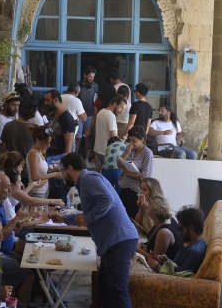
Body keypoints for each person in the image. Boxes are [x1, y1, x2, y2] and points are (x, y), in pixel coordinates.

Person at [50, 153, 139, 308]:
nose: (62, 175)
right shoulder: (85, 181)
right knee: (104, 287)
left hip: (119, 239)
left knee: (117, 290)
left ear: (70, 168)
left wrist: (87, 218)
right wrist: (65, 219)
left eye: (62, 170)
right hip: (113, 242)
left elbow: (107, 199)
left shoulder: (87, 178)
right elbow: (87, 215)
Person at [150, 206, 207, 274]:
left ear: (191, 228)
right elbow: (178, 268)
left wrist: (157, 267)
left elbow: (180, 277)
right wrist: (167, 261)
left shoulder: (193, 252)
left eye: (180, 229)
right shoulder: (198, 243)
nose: (179, 233)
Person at [117, 126, 155, 219]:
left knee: (132, 216)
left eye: (134, 141)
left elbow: (146, 175)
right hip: (124, 186)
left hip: (136, 190)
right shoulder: (130, 150)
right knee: (121, 215)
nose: (131, 143)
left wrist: (128, 173)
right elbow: (119, 165)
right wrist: (127, 152)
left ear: (142, 140)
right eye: (130, 140)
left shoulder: (147, 153)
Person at [135, 196, 183, 265]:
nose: (145, 207)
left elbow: (155, 259)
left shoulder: (163, 232)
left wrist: (137, 249)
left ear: (153, 213)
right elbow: (152, 232)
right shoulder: (170, 218)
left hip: (164, 266)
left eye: (147, 207)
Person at [1, 99, 38, 185]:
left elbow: (3, 150)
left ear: (20, 109)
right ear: (33, 112)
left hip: (12, 171)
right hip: (30, 171)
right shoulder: (35, 129)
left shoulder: (8, 126)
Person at [26, 124, 64, 198]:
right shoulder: (34, 154)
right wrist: (54, 174)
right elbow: (35, 177)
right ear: (37, 140)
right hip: (36, 192)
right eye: (46, 142)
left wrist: (50, 168)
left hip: (42, 191)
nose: (49, 145)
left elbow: (39, 170)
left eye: (50, 142)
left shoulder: (40, 151)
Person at [93, 95, 126, 172]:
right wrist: (123, 142)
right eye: (121, 108)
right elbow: (113, 136)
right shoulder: (110, 116)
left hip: (98, 150)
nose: (121, 111)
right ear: (115, 104)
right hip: (107, 151)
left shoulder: (101, 112)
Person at [0, 92, 21, 165]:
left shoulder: (10, 117)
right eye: (13, 105)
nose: (16, 108)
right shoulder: (0, 121)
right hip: (2, 163)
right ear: (5, 105)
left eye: (18, 105)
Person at [44, 89, 76, 157]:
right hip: (51, 157)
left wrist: (64, 162)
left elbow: (68, 146)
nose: (45, 103)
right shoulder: (53, 114)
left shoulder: (66, 119)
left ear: (55, 100)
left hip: (59, 159)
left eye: (47, 100)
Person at [77, 66, 98, 160]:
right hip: (79, 115)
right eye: (90, 76)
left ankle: (86, 159)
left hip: (90, 114)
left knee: (87, 137)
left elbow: (97, 100)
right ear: (84, 75)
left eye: (93, 77)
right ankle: (75, 157)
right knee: (78, 137)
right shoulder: (78, 85)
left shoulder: (95, 86)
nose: (91, 79)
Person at [61, 83, 87, 152]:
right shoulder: (76, 100)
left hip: (59, 132)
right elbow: (84, 118)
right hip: (70, 133)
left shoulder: (60, 97)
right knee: (70, 155)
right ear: (77, 92)